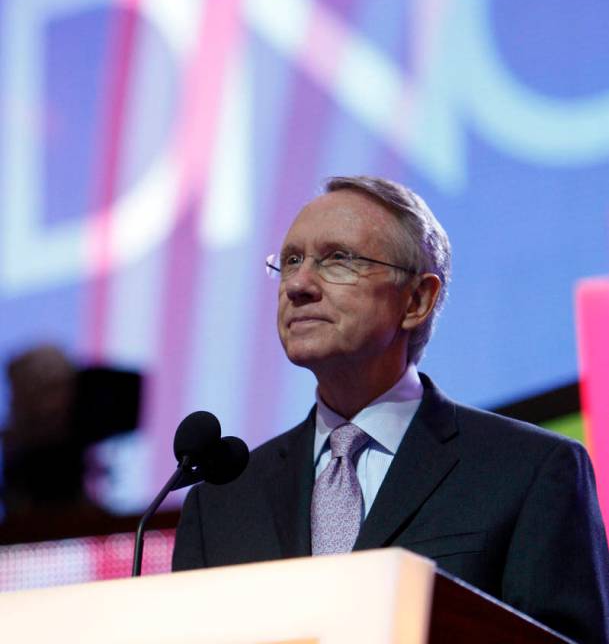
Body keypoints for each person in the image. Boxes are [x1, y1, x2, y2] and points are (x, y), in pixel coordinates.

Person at [173, 175, 609, 642]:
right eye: (291, 260)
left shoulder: (530, 472)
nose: (298, 284)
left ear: (417, 300)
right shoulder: (219, 502)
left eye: (338, 259)